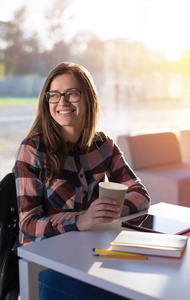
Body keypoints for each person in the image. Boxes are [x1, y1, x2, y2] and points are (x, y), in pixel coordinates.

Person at [14, 62, 150, 299]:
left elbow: (140, 195)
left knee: (145, 282)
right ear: (47, 102)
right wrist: (79, 220)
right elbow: (28, 225)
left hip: (92, 252)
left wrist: (104, 214)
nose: (62, 102)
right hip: (45, 263)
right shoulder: (33, 149)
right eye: (54, 95)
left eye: (72, 94)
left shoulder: (103, 144)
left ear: (88, 99)